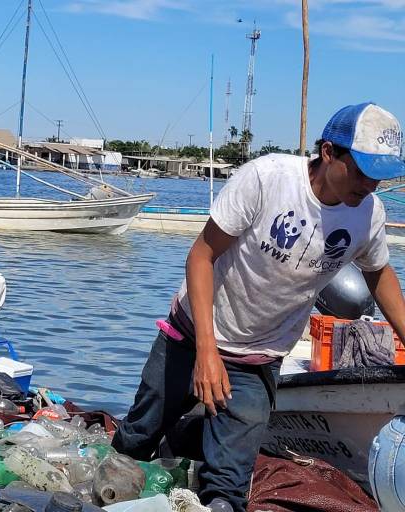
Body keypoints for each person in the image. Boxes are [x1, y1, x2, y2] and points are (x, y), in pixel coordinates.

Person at [112, 102, 405, 511]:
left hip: (258, 356)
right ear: (329, 153)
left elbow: (377, 273)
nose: (368, 185)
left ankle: (194, 449)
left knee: (228, 490)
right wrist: (206, 352)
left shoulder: (368, 214)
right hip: (194, 335)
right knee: (134, 443)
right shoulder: (268, 179)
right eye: (359, 170)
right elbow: (201, 256)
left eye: (379, 176)